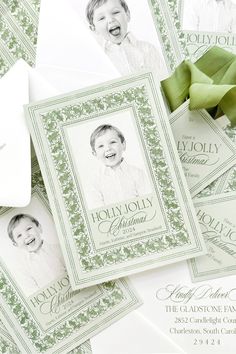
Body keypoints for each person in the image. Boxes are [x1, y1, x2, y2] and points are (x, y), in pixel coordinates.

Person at [85, 0, 165, 78]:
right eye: (102, 18)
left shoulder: (147, 49)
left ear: (127, 15)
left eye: (115, 12)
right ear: (94, 29)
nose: (110, 20)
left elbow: (162, 78)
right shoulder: (99, 58)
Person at [87, 124, 151, 208]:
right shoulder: (95, 180)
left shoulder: (137, 173)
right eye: (101, 146)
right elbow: (96, 207)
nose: (107, 148)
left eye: (112, 142)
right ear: (95, 154)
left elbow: (149, 201)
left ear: (123, 145)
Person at [7, 213, 66, 296]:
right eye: (19, 235)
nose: (26, 235)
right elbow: (32, 291)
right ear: (16, 244)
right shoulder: (23, 268)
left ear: (39, 228)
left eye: (28, 228)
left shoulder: (59, 249)